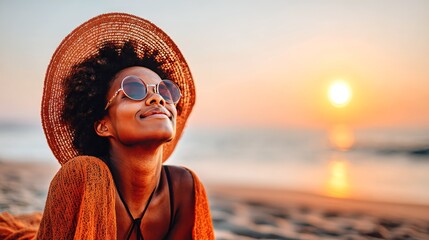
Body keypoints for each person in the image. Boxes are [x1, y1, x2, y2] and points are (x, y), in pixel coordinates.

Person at [0, 13, 214, 240]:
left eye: (164, 90)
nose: (158, 99)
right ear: (103, 126)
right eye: (134, 89)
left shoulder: (184, 187)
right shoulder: (84, 176)